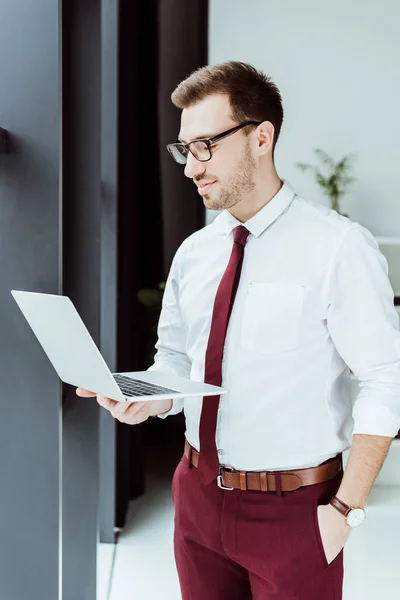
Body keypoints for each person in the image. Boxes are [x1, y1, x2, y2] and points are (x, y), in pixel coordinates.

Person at [77, 61, 400, 599]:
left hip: (296, 509)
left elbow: (387, 378)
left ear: (261, 138)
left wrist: (346, 509)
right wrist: (147, 399)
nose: (191, 167)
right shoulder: (195, 253)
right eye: (185, 149)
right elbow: (176, 361)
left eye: (206, 145)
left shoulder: (339, 248)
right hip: (198, 497)